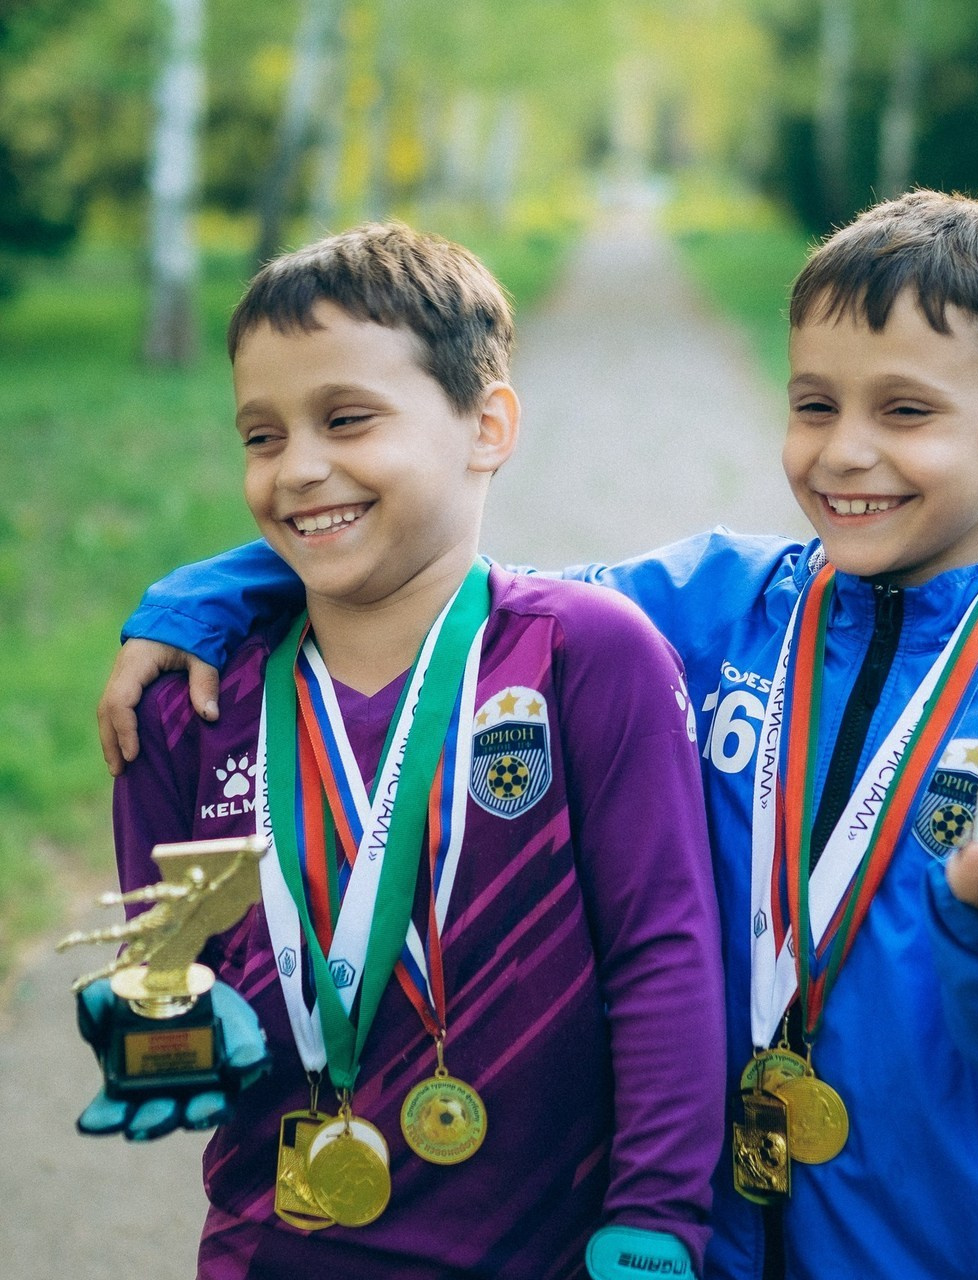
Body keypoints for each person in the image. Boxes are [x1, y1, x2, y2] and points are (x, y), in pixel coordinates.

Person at [97, 192, 978, 1280]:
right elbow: (441, 588)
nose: (842, 452)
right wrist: (208, 591)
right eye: (812, 405)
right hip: (705, 1226)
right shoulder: (706, 604)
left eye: (904, 412)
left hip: (959, 1239)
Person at [93, 222, 726, 1280]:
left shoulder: (582, 655)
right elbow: (167, 982)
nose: (298, 468)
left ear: (486, 426)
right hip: (272, 1246)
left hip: (557, 1250)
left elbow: (663, 953)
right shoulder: (185, 705)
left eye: (347, 418)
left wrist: (658, 1212)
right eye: (260, 435)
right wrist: (152, 1030)